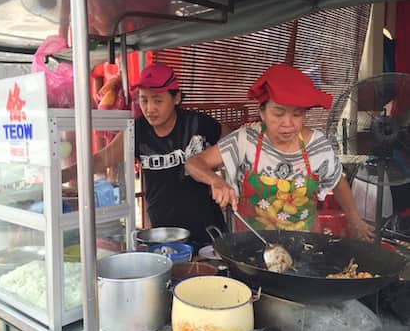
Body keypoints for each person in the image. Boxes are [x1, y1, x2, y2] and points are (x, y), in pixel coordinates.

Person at [185, 63, 374, 241]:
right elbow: (193, 163)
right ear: (262, 112)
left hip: (305, 246)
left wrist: (354, 219)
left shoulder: (318, 146)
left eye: (297, 114)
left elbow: (337, 181)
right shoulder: (245, 140)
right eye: (278, 113)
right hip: (250, 246)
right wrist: (216, 181)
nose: (288, 123)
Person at [63, 63, 231, 247]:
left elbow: (232, 142)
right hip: (164, 230)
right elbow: (103, 158)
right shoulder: (137, 131)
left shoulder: (198, 123)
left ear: (176, 98)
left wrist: (215, 169)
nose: (150, 108)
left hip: (207, 228)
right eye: (144, 100)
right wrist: (65, 175)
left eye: (158, 101)